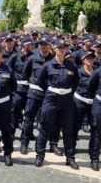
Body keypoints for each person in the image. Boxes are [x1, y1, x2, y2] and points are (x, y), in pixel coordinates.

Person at [33, 39, 80, 169]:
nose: (61, 49)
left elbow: (76, 83)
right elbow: (40, 81)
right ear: (54, 49)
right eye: (59, 47)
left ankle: (70, 157)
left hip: (67, 101)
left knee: (68, 130)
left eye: (64, 47)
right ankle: (39, 156)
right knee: (45, 128)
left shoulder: (72, 66)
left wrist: (67, 93)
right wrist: (50, 91)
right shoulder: (47, 65)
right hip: (51, 99)